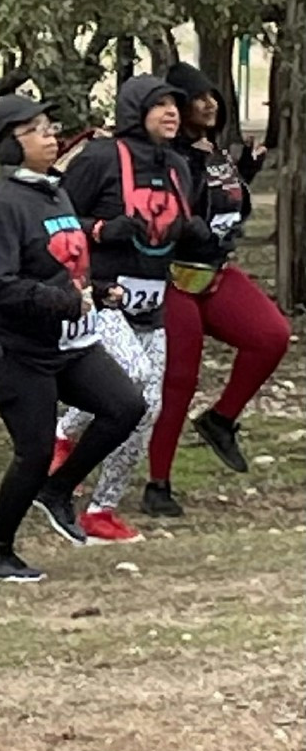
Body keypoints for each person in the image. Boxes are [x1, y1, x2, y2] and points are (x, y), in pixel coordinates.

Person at [0, 96, 148, 579]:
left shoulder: (54, 192)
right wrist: (64, 302)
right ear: (8, 145)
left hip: (64, 340)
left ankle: (58, 490)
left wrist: (98, 291)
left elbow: (61, 266)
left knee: (126, 405)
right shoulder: (3, 206)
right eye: (35, 130)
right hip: (12, 347)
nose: (50, 136)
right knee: (35, 449)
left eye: (50, 126)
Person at [52, 74, 205, 528]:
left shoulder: (178, 165)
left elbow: (176, 225)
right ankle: (62, 436)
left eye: (175, 105)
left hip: (153, 300)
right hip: (101, 295)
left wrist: (196, 238)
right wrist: (100, 230)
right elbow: (53, 221)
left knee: (149, 406)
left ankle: (102, 508)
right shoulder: (99, 157)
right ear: (135, 109)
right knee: (133, 378)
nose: (172, 112)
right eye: (160, 105)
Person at [147, 62, 290, 484]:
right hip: (175, 280)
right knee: (180, 381)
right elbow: (179, 207)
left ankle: (220, 420)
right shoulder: (170, 156)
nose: (209, 104)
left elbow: (222, 206)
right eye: (198, 98)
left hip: (217, 273)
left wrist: (245, 170)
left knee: (271, 336)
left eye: (212, 96)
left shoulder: (213, 150)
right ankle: (159, 483)